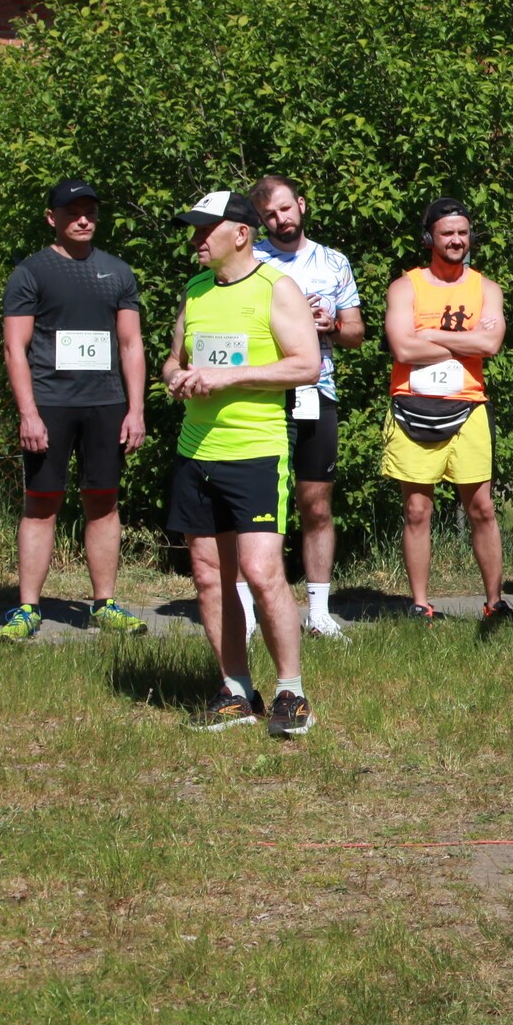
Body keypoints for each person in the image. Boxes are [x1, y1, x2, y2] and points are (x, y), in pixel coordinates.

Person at [163, 189, 322, 737]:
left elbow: (305, 365)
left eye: (204, 230)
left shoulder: (277, 288)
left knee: (260, 571)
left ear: (240, 233)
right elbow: (173, 358)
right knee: (210, 577)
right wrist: (175, 377)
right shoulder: (196, 290)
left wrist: (230, 377)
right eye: (193, 230)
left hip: (255, 450)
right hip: (196, 452)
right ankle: (235, 689)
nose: (195, 240)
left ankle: (291, 693)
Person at [0, 179, 148, 640]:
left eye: (90, 212)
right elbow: (14, 347)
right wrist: (28, 412)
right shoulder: (31, 272)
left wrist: (136, 410)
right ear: (52, 218)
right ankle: (28, 608)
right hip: (50, 405)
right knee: (41, 503)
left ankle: (105, 604)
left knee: (103, 501)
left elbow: (131, 344)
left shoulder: (117, 272)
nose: (83, 220)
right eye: (72, 212)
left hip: (106, 404)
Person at [380, 197, 508, 622]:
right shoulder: (405, 287)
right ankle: (420, 604)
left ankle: (494, 603)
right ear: (429, 238)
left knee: (482, 508)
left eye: (463, 233)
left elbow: (491, 344)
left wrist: (429, 334)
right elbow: (402, 348)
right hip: (411, 404)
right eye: (447, 233)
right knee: (417, 510)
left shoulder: (487, 289)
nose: (456, 240)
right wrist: (466, 342)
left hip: (468, 406)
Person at [251, 176, 366, 639]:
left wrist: (331, 324)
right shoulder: (252, 261)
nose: (280, 219)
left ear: (301, 204)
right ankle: (253, 611)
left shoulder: (333, 262)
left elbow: (356, 333)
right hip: (263, 394)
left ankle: (318, 612)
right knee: (260, 506)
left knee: (315, 503)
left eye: (285, 208)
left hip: (317, 392)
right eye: (269, 215)